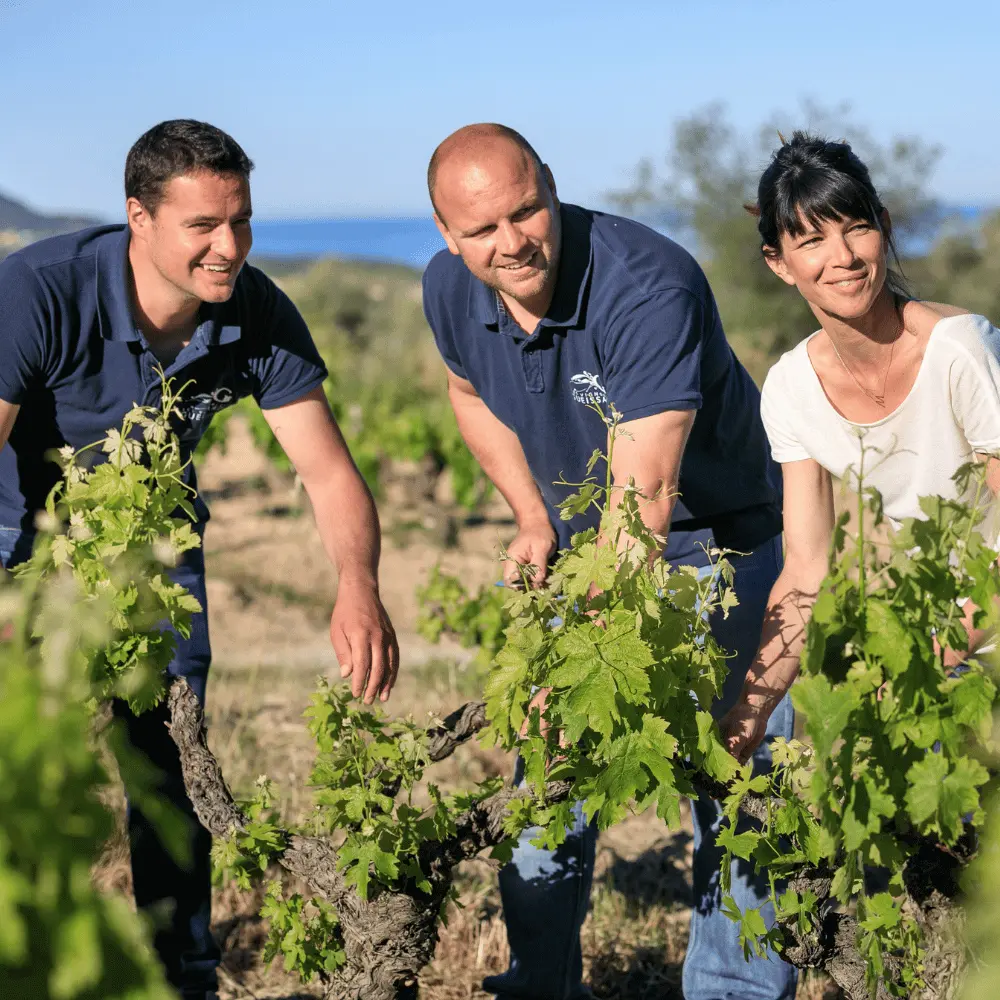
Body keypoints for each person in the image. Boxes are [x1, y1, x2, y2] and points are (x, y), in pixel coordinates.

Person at [0, 119, 399, 1000]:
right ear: (138, 218)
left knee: (172, 771)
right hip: (20, 545)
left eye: (242, 221)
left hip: (155, 552)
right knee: (21, 765)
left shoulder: (253, 310)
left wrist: (358, 587)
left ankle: (179, 975)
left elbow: (329, 473)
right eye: (204, 227)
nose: (230, 248)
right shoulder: (39, 290)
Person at [421, 123, 797, 1000]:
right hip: (592, 550)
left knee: (735, 783)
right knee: (548, 783)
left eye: (527, 211)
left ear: (550, 184)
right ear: (447, 235)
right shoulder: (448, 289)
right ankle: (539, 984)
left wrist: (586, 655)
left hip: (722, 535)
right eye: (481, 231)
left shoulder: (645, 283)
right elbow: (466, 390)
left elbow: (646, 495)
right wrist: (530, 515)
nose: (512, 242)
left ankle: (733, 992)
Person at [721, 132, 1000, 763]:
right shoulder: (792, 388)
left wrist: (924, 664)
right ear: (778, 262)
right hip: (931, 632)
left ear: (885, 228)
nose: (842, 256)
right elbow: (806, 569)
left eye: (857, 227)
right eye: (811, 239)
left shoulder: (961, 351)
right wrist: (753, 705)